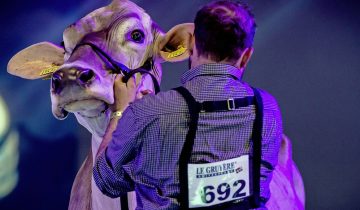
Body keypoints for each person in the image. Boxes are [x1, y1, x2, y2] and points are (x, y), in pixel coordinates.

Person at [93, 1, 282, 209]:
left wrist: (121, 112)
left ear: (191, 43)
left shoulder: (148, 112)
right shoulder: (267, 108)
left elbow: (106, 180)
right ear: (246, 56)